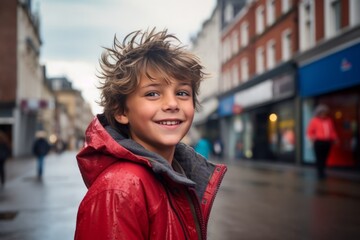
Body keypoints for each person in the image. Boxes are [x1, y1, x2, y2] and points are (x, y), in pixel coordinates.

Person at [74, 28, 227, 240]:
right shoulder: (120, 190)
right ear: (121, 111)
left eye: (182, 93)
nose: (172, 104)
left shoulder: (175, 175)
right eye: (152, 93)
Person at [307, 104, 338, 179]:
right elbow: (309, 131)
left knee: (325, 157)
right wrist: (312, 138)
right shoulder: (314, 121)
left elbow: (332, 131)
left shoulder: (329, 121)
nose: (323, 114)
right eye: (322, 113)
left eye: (325, 113)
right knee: (319, 157)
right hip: (318, 142)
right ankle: (320, 172)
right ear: (319, 113)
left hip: (327, 142)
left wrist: (335, 138)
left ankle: (322, 171)